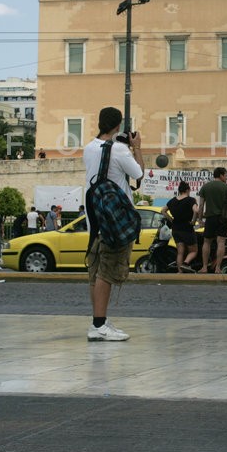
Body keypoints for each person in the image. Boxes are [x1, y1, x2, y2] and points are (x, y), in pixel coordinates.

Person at [83, 106, 144, 342]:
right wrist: (136, 147)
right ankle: (98, 325)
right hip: (115, 219)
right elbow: (138, 174)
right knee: (108, 271)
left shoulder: (89, 148)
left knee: (96, 270)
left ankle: (99, 320)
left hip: (95, 218)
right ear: (118, 125)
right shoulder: (119, 150)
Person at [195, 167, 227, 274]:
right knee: (221, 242)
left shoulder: (205, 187)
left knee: (207, 242)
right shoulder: (226, 187)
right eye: (225, 175)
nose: (226, 178)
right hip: (223, 218)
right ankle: (218, 268)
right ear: (221, 175)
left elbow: (201, 205)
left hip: (210, 218)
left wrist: (200, 219)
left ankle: (204, 267)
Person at [166, 181, 199, 273]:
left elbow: (163, 210)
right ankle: (186, 263)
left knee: (180, 252)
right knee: (194, 251)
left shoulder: (172, 201)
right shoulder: (191, 200)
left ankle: (180, 271)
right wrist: (193, 221)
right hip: (187, 228)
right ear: (188, 190)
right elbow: (196, 211)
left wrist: (171, 220)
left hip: (175, 228)